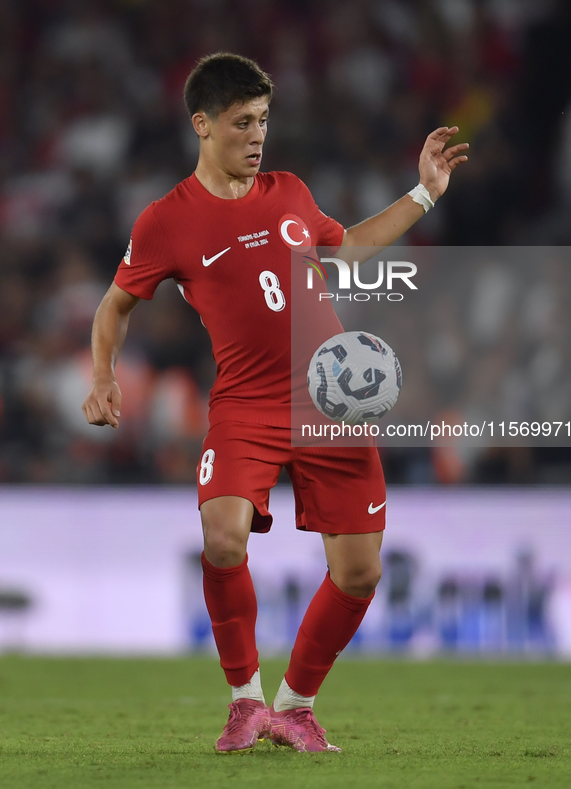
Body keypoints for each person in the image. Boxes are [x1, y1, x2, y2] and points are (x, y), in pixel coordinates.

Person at [82, 52, 468, 753]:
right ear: (202, 124)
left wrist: (424, 193)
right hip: (245, 409)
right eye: (241, 123)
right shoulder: (166, 220)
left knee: (360, 572)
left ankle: (295, 707)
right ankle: (242, 702)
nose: (256, 136)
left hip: (331, 403)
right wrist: (102, 374)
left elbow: (347, 248)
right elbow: (114, 305)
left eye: (263, 120)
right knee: (222, 537)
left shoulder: (289, 191)